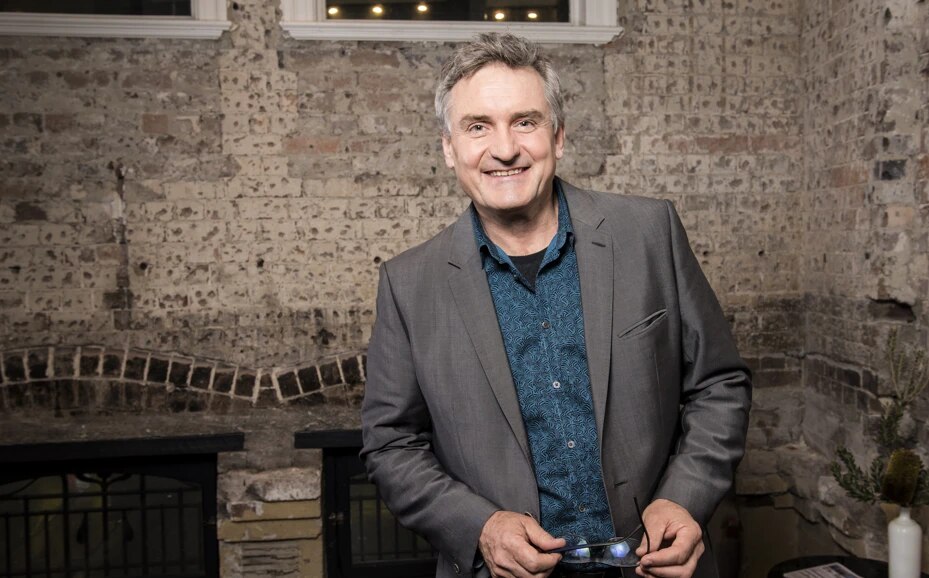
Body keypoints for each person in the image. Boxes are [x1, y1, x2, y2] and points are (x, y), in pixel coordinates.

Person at [360, 32, 751, 578]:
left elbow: (719, 384)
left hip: (654, 568)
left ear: (558, 136)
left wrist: (684, 497)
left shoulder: (649, 233)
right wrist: (479, 527)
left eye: (525, 122)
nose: (504, 149)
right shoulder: (408, 285)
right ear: (449, 148)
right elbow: (390, 445)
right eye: (478, 127)